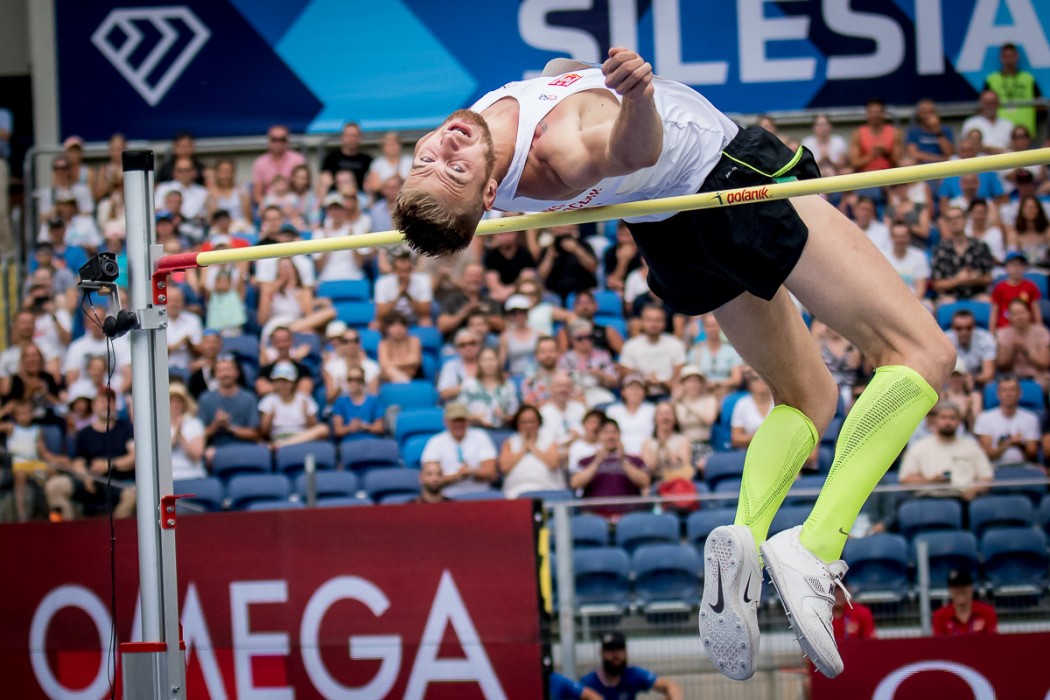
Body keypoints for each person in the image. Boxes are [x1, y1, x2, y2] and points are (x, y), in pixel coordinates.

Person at [393, 49, 954, 679]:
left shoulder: (485, 128)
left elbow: (560, 82)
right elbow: (630, 150)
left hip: (670, 231)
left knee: (807, 397)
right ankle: (817, 545)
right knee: (923, 352)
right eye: (454, 170)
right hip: (728, 182)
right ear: (490, 193)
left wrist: (570, 74)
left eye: (427, 160)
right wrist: (636, 97)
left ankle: (745, 546)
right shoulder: (559, 151)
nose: (444, 149)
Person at [45, 389, 136, 520]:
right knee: (54, 486)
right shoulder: (84, 433)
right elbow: (78, 461)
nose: (106, 405)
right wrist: (85, 476)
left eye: (110, 401)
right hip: (92, 481)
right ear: (93, 406)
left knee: (133, 494)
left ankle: (117, 530)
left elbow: (134, 457)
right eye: (102, 401)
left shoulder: (126, 428)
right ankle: (67, 529)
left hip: (120, 482)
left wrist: (109, 465)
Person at [899, 401, 993, 502]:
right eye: (943, 417)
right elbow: (905, 480)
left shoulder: (971, 446)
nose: (948, 422)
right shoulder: (919, 447)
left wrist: (974, 490)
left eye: (952, 418)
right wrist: (931, 481)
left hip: (963, 500)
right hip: (929, 499)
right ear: (935, 420)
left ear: (959, 421)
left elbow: (987, 478)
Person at [571, 418, 650, 519]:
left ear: (619, 435)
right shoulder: (585, 461)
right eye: (605, 433)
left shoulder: (635, 461)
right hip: (595, 517)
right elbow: (575, 483)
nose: (610, 436)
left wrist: (623, 461)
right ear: (599, 436)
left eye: (614, 432)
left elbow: (645, 482)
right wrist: (596, 462)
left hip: (628, 517)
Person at [0, 399, 66, 521]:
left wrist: (57, 460)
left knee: (51, 472)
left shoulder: (37, 429)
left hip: (35, 465)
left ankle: (52, 511)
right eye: (21, 414)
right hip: (19, 464)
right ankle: (22, 515)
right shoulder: (11, 427)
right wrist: (4, 411)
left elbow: (43, 452)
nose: (25, 416)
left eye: (27, 413)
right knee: (20, 477)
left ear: (32, 413)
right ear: (15, 415)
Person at [420, 402, 498, 498]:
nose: (458, 424)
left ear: (468, 421)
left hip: (481, 494)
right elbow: (429, 479)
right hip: (447, 496)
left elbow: (491, 473)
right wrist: (457, 476)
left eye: (461, 420)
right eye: (454, 421)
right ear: (446, 422)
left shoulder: (481, 437)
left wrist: (471, 472)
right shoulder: (435, 442)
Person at [580, 631, 683, 700]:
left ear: (626, 652)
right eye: (610, 650)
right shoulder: (589, 682)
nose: (615, 655)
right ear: (601, 653)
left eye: (619, 649)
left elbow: (670, 685)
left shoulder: (631, 674)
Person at [197, 356, 261, 461]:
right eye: (221, 371)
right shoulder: (205, 399)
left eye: (228, 370)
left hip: (244, 447)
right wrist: (216, 425)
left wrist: (230, 428)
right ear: (215, 374)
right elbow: (199, 434)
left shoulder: (249, 398)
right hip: (216, 449)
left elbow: (255, 433)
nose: (225, 374)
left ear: (237, 373)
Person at [618, 304, 686, 399]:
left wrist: (661, 382)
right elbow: (627, 377)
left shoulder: (676, 344)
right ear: (642, 322)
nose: (653, 324)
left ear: (664, 323)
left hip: (669, 394)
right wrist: (646, 382)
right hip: (639, 395)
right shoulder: (630, 345)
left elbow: (679, 377)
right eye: (649, 320)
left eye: (657, 320)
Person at [930, 206, 995, 304]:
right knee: (944, 303)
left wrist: (974, 279)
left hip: (976, 294)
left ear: (965, 220)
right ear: (946, 223)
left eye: (958, 217)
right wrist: (958, 280)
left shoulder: (980, 246)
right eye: (950, 219)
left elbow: (989, 278)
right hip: (950, 296)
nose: (954, 222)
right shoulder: (940, 250)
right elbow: (936, 284)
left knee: (987, 301)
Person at [257, 361, 330, 449]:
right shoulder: (268, 400)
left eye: (286, 381)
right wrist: (269, 417)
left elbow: (313, 427)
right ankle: (284, 444)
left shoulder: (304, 399)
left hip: (302, 438)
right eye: (278, 381)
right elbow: (264, 432)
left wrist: (307, 415)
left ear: (293, 382)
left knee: (323, 429)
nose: (282, 385)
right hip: (278, 436)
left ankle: (282, 445)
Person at [974, 374, 1040, 466]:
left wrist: (1020, 445)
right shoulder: (985, 418)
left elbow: (1032, 455)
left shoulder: (1031, 418)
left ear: (1020, 394)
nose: (1008, 394)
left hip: (1024, 466)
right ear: (998, 394)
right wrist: (1006, 444)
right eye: (1004, 390)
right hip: (995, 467)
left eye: (1012, 390)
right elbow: (986, 455)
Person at [499, 404, 564, 498]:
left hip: (547, 489)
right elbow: (504, 467)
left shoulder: (549, 440)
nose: (528, 426)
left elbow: (553, 463)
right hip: (515, 492)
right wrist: (524, 448)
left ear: (538, 423)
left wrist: (532, 447)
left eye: (531, 422)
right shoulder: (510, 442)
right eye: (524, 422)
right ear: (518, 424)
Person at [983, 43, 1042, 139]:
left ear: (1017, 57)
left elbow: (1040, 105)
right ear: (1001, 58)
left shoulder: (1028, 79)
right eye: (1006, 56)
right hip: (1001, 132)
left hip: (1025, 132)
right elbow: (983, 105)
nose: (1008, 60)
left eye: (1011, 56)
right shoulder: (992, 79)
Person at [558, 320, 618, 407]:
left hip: (598, 392)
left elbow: (615, 382)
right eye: (580, 338)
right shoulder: (566, 358)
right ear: (572, 340)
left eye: (589, 337)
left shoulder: (603, 355)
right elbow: (560, 381)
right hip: (573, 395)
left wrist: (600, 374)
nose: (585, 341)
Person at [458, 346, 519, 428]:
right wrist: (476, 418)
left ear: (498, 362)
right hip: (475, 430)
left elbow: (515, 416)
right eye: (485, 360)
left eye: (492, 359)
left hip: (501, 430)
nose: (489, 364)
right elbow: (459, 414)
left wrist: (504, 417)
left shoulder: (509, 386)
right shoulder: (469, 384)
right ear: (479, 362)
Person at [995, 299, 1050, 388]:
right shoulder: (1002, 334)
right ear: (1009, 317)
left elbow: (1044, 364)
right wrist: (1013, 351)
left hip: (1038, 378)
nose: (1019, 317)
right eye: (1015, 314)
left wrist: (1026, 352)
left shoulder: (1042, 332)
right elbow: (1002, 366)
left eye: (1022, 313)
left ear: (1029, 314)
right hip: (1012, 379)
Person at [933, 568, 998, 636]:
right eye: (956, 586)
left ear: (971, 587)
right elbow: (939, 642)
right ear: (949, 589)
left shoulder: (987, 612)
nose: (960, 590)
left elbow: (993, 641)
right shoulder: (940, 616)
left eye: (963, 585)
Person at [252, 124, 306, 205]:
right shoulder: (260, 163)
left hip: (293, 203)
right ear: (269, 141)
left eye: (282, 139)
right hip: (269, 205)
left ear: (287, 141)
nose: (278, 143)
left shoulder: (298, 160)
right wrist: (268, 206)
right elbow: (257, 195)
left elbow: (304, 188)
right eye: (274, 139)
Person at [330, 366, 385, 443]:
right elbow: (337, 430)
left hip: (371, 441)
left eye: (358, 380)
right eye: (350, 379)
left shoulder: (374, 401)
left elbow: (380, 428)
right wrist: (350, 427)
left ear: (363, 381)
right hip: (349, 443)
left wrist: (364, 426)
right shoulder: (340, 402)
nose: (354, 383)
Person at [849, 97, 902, 173]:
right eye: (872, 112)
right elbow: (854, 163)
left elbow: (899, 162)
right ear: (867, 114)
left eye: (878, 112)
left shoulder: (895, 132)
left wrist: (885, 154)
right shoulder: (857, 133)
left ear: (884, 113)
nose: (875, 115)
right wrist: (872, 155)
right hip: (866, 175)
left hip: (889, 174)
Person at [990, 252, 1042, 329]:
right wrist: (992, 331)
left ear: (1024, 267)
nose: (1016, 268)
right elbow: (994, 313)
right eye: (1012, 265)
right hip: (1005, 327)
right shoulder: (1000, 287)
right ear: (1006, 268)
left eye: (1020, 265)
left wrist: (1039, 329)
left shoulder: (1031, 286)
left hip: (1026, 327)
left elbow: (1036, 311)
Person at [946, 310, 996, 386]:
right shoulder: (945, 340)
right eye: (959, 328)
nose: (964, 332)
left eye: (968, 328)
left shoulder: (986, 339)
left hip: (977, 383)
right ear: (953, 328)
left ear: (974, 327)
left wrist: (973, 379)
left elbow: (988, 374)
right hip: (951, 381)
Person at [169, 383, 206, 482]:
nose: (175, 405)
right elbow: (159, 455)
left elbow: (196, 455)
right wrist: (176, 434)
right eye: (171, 401)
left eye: (178, 401)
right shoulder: (158, 425)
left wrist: (180, 434)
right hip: (168, 477)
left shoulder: (194, 423)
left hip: (192, 474)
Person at [962, 91, 1014, 155]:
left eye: (993, 103)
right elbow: (969, 148)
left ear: (998, 104)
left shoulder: (1008, 124)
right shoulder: (970, 123)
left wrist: (984, 148)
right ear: (981, 104)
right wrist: (1000, 150)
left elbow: (1014, 149)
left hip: (1006, 160)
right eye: (987, 103)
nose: (990, 106)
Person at [377, 310, 422, 384]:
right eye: (393, 326)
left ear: (406, 328)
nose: (398, 329)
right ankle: (405, 384)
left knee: (390, 370)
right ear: (387, 329)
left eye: (401, 325)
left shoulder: (414, 341)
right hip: (390, 378)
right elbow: (384, 364)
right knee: (389, 371)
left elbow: (415, 360)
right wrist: (407, 364)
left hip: (414, 377)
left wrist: (392, 363)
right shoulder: (383, 344)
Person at [905, 99, 955, 164]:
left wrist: (937, 130)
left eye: (932, 112)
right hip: (921, 164)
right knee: (907, 162)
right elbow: (913, 154)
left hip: (942, 165)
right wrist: (939, 158)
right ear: (919, 115)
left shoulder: (946, 130)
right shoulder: (913, 132)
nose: (929, 116)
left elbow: (949, 153)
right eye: (925, 113)